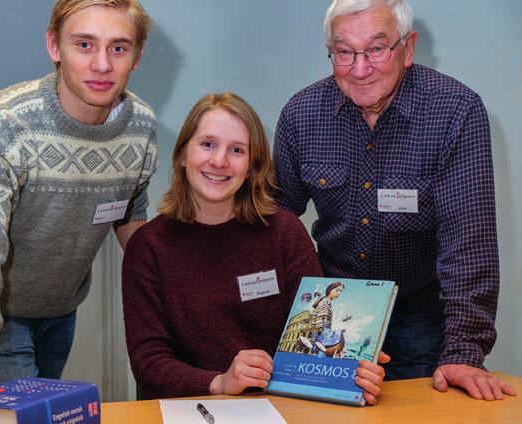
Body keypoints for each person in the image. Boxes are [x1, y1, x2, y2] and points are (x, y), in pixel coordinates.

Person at [0, 1, 156, 423]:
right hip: (0, 314)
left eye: (119, 48)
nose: (101, 64)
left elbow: (130, 212)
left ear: (137, 57)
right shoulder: (0, 124)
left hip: (62, 309)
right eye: (84, 44)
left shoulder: (141, 126)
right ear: (54, 46)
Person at [273, 0, 516, 401]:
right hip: (337, 312)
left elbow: (467, 243)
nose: (360, 68)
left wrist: (463, 351)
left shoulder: (455, 110)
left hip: (420, 310)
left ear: (408, 47)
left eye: (376, 49)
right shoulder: (302, 114)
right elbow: (274, 221)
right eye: (344, 52)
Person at [122, 92, 387, 404]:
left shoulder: (284, 233)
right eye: (207, 144)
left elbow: (314, 330)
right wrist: (219, 382)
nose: (219, 161)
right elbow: (149, 364)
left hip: (276, 407)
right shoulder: (148, 247)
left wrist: (350, 365)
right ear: (182, 154)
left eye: (237, 150)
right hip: (186, 409)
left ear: (251, 166)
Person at [311, 281, 344, 349]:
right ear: (330, 290)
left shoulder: (325, 301)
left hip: (318, 332)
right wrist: (323, 332)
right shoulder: (325, 302)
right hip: (320, 333)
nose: (339, 293)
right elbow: (322, 318)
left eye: (340, 291)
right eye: (337, 290)